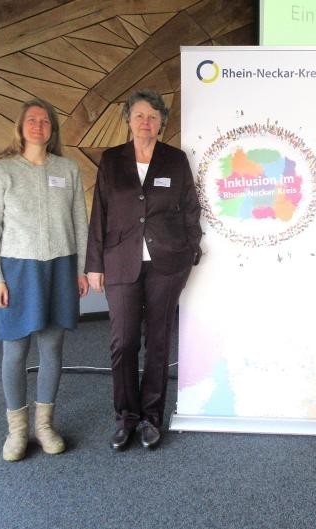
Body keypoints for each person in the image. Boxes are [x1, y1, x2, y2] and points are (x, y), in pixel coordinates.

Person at [85, 89, 201, 451]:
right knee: (123, 342)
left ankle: (152, 418)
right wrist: (94, 264)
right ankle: (125, 418)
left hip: (167, 263)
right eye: (138, 116)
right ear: (128, 121)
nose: (145, 122)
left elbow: (191, 209)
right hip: (120, 261)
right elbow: (99, 214)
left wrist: (189, 251)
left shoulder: (175, 159)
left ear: (161, 122)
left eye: (152, 116)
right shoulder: (111, 160)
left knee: (158, 341)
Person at [0, 98, 89, 461]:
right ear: (20, 126)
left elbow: (80, 224)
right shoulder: (2, 171)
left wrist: (81, 269)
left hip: (60, 266)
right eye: (32, 119)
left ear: (53, 129)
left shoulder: (68, 169)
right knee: (15, 351)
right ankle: (17, 431)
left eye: (45, 120)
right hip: (16, 270)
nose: (38, 125)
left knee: (52, 348)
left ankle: (44, 426)